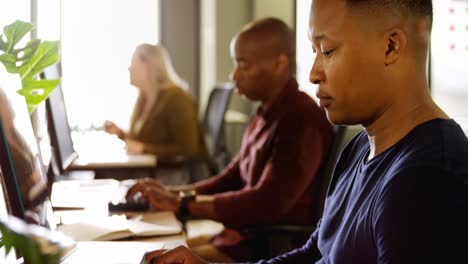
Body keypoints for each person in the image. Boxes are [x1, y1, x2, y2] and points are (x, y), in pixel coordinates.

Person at [141, 0, 468, 263]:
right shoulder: (359, 149)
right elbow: (315, 252)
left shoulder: (427, 179)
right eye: (314, 52)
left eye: (327, 51)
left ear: (390, 46)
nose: (313, 74)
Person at [127, 18, 333, 262]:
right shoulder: (264, 113)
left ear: (279, 64)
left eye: (243, 66)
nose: (234, 75)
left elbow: (267, 203)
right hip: (238, 237)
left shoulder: (300, 118)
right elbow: (232, 177)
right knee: (149, 248)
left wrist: (182, 204)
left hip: (264, 248)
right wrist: (173, 194)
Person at [104, 44, 206, 160]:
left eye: (133, 62)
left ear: (147, 64)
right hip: (151, 169)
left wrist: (144, 149)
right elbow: (142, 141)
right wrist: (120, 134)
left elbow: (188, 149)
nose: (129, 68)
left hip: (173, 173)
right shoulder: (143, 98)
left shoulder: (176, 98)